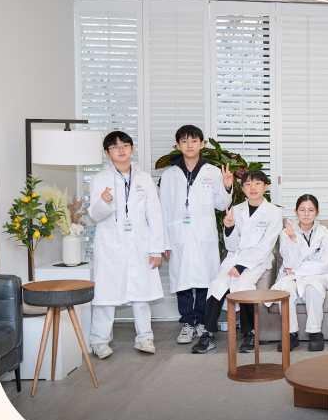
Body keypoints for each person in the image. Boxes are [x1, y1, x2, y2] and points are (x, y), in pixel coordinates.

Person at [87, 131, 165, 359]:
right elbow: (95, 215)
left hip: (140, 244)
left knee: (142, 293)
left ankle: (145, 337)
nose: (121, 150)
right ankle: (99, 340)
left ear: (132, 149)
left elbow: (155, 215)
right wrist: (104, 202)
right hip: (110, 245)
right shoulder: (100, 179)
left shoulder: (144, 178)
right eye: (115, 147)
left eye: (125, 145)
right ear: (106, 153)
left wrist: (155, 249)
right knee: (105, 294)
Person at [192, 171, 282, 354]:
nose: (253, 187)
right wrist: (229, 227)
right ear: (243, 188)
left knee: (243, 286)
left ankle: (249, 333)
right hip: (234, 257)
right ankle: (208, 334)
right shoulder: (236, 209)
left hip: (257, 261)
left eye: (257, 183)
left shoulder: (274, 212)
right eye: (248, 184)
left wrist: (242, 266)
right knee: (217, 286)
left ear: (265, 187)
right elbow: (231, 246)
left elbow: (266, 246)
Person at [159, 125, 234, 345]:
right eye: (184, 141)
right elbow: (163, 209)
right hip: (178, 234)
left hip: (204, 234)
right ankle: (187, 323)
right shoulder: (169, 175)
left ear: (202, 144)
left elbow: (221, 204)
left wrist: (227, 187)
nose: (189, 145)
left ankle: (201, 322)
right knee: (181, 281)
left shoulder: (213, 172)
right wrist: (165, 241)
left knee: (204, 280)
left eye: (194, 141)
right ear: (178, 145)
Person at [267, 194, 328, 352]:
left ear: (317, 213)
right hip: (291, 276)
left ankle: (315, 332)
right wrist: (293, 240)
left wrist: (298, 269)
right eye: (302, 210)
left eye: (311, 210)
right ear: (296, 212)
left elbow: (325, 265)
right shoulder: (286, 233)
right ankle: (290, 333)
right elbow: (290, 263)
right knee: (287, 290)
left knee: (313, 286)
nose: (306, 214)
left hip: (317, 276)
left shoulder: (327, 234)